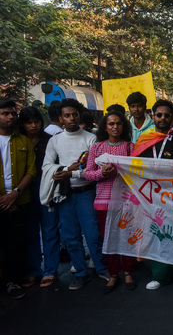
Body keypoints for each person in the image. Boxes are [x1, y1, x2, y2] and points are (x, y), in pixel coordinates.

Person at [41, 98, 109, 291]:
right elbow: (46, 166)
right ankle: (80, 273)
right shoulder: (55, 141)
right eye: (67, 115)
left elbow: (95, 165)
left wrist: (73, 171)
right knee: (70, 236)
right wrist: (64, 169)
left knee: (93, 234)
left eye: (74, 115)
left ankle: (102, 269)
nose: (71, 118)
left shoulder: (91, 138)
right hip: (65, 194)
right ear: (61, 119)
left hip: (86, 192)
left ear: (79, 115)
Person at [132, 99, 173, 293]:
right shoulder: (144, 138)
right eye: (158, 115)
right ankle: (160, 275)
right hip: (152, 195)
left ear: (172, 117)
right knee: (157, 234)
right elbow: (135, 165)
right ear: (153, 116)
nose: (162, 118)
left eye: (166, 115)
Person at [85, 111, 136, 294]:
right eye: (111, 124)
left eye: (118, 123)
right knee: (108, 238)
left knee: (127, 236)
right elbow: (88, 173)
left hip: (126, 201)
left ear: (124, 126)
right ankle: (113, 273)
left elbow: (137, 174)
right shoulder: (97, 148)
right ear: (105, 127)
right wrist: (102, 173)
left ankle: (128, 271)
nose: (115, 127)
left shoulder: (131, 147)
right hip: (104, 201)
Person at [0, 100, 36, 299]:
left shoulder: (23, 141)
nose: (11, 117)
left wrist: (14, 194)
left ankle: (12, 281)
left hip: (20, 201)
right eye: (5, 113)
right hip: (2, 202)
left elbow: (31, 170)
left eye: (13, 113)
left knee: (16, 243)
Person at [18, 107, 52, 288]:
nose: (33, 126)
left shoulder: (49, 140)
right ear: (22, 124)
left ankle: (50, 270)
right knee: (31, 231)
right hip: (24, 188)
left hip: (46, 186)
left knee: (49, 229)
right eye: (29, 122)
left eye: (36, 122)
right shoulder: (17, 141)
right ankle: (33, 270)